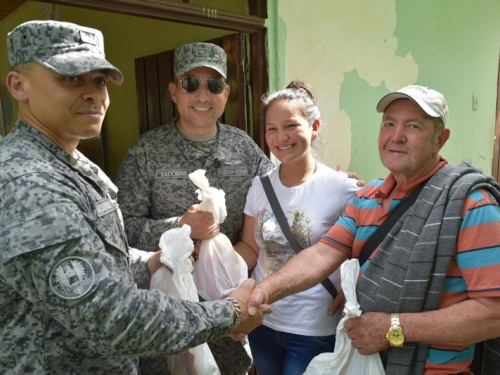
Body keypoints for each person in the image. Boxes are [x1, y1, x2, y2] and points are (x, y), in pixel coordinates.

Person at [0, 20, 271, 374]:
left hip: (198, 303)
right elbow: (108, 315)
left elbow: (105, 255)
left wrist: (154, 260)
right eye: (70, 78)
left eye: (99, 80)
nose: (92, 93)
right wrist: (229, 312)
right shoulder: (29, 183)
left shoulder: (73, 166)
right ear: (18, 85)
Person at [248, 85, 500, 374]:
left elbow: (494, 313)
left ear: (439, 139)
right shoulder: (367, 198)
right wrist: (265, 290)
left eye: (413, 126)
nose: (396, 136)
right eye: (389, 124)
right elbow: (321, 255)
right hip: (361, 364)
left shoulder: (470, 205)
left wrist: (394, 328)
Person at [115, 42, 275, 374]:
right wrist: (179, 227)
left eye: (213, 85)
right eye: (191, 84)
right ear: (174, 91)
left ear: (226, 93)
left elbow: (278, 193)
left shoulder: (242, 147)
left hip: (227, 303)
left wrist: (323, 176)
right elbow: (121, 228)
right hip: (167, 308)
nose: (202, 95)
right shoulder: (146, 152)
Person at [233, 81, 360, 375]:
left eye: (291, 126)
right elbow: (250, 248)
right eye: (271, 129)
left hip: (315, 326)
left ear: (314, 127)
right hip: (263, 320)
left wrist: (358, 285)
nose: (280, 138)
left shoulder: (343, 188)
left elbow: (366, 248)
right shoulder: (259, 185)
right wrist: (212, 263)